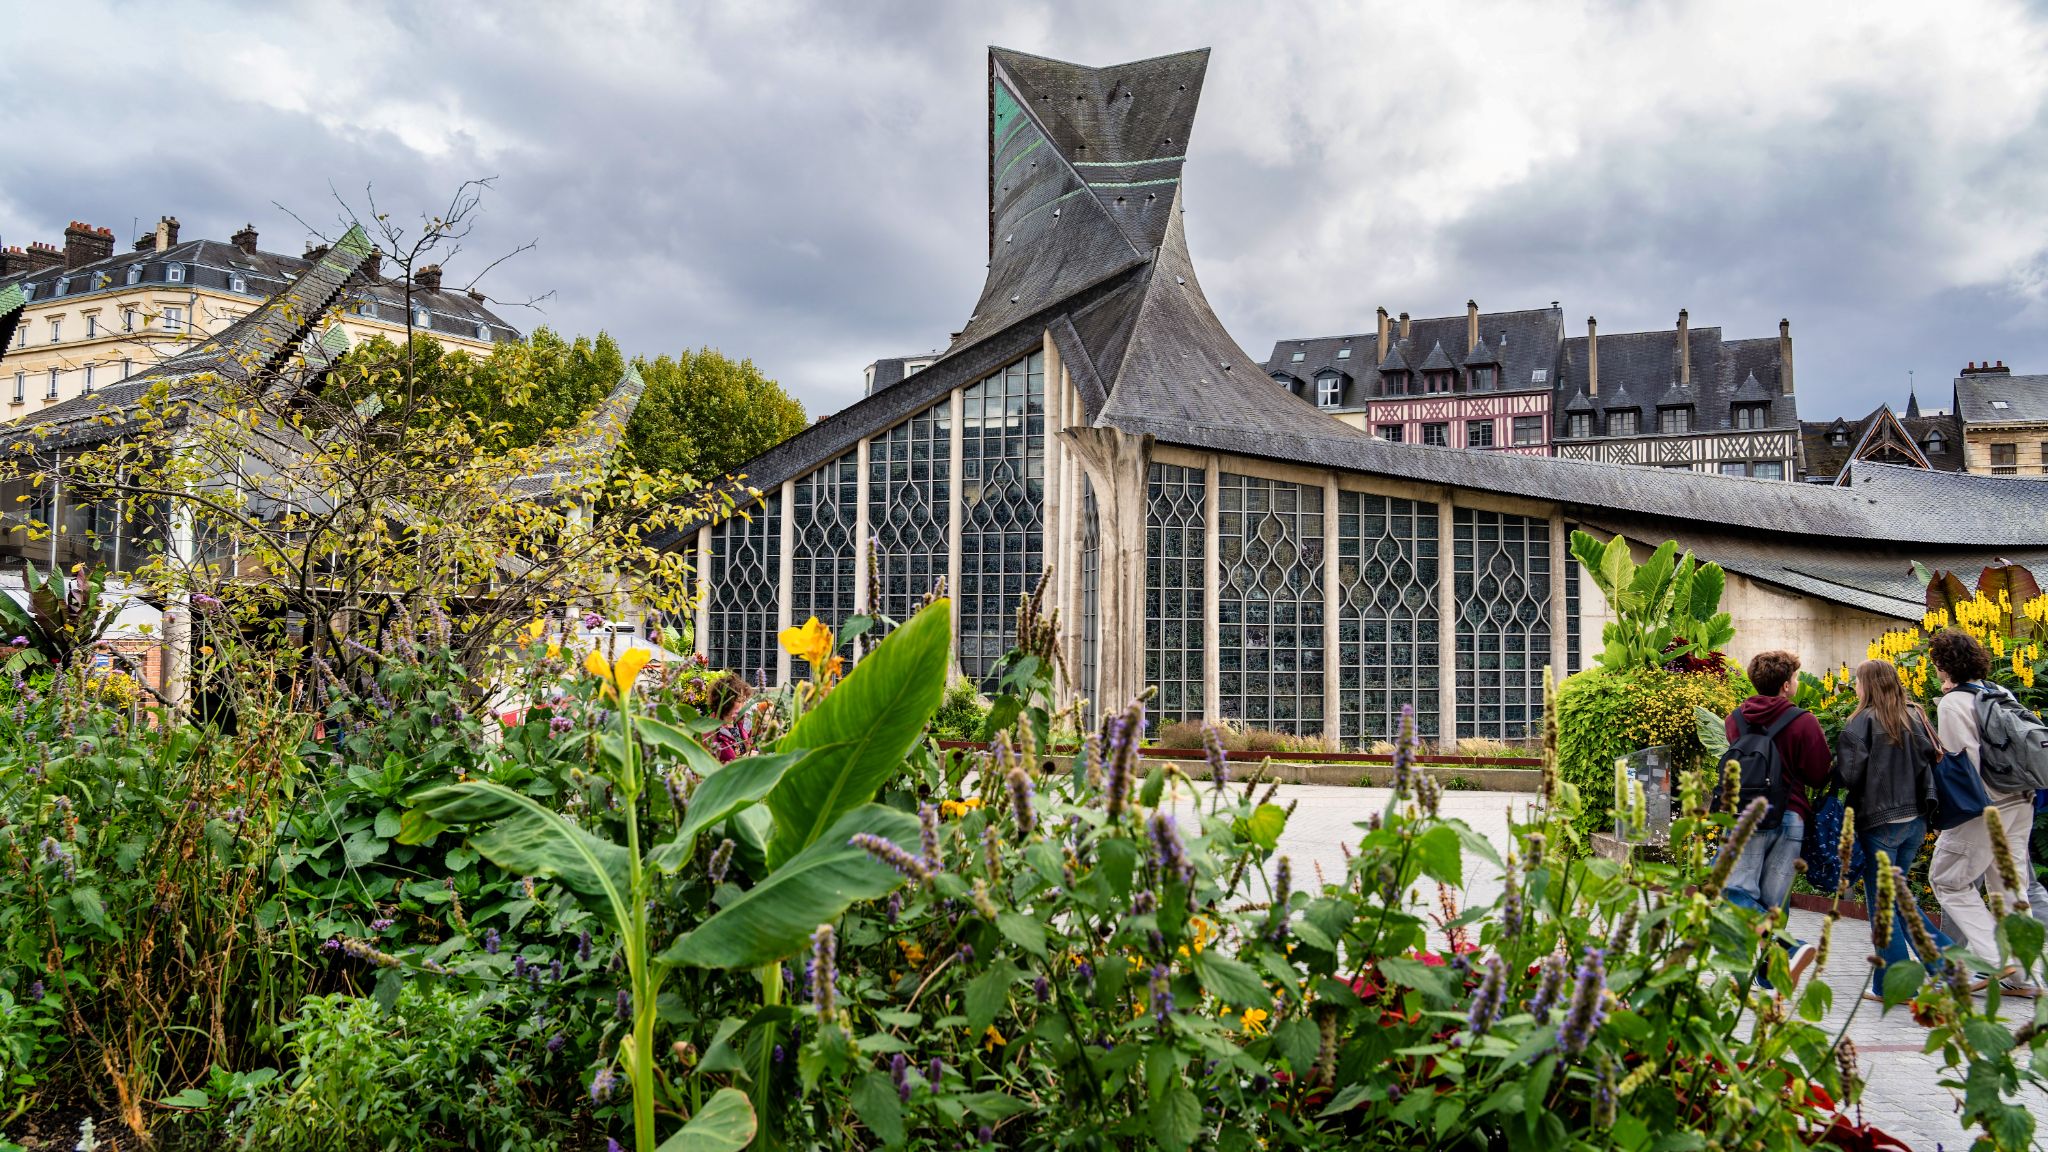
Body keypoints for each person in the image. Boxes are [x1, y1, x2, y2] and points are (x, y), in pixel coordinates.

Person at [1927, 628, 2039, 996]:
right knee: (2010, 885)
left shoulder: (1953, 704)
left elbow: (1965, 763)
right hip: (2021, 799)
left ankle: (1992, 956)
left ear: (1943, 664)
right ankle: (2025, 975)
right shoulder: (1998, 692)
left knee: (1947, 879)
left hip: (1985, 805)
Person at [1836, 659, 1953, 1001]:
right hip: (1916, 820)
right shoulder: (1916, 715)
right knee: (1900, 899)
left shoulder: (1861, 722)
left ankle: (1898, 982)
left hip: (1879, 823)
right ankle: (1943, 965)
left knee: (1884, 905)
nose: (1855, 688)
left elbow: (1849, 776)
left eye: (1858, 682)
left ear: (1867, 685)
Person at [1722, 650, 1833, 984]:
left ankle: (1745, 976)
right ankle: (1783, 954)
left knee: (1736, 891)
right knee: (1773, 901)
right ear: (1786, 685)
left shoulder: (1734, 719)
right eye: (1795, 678)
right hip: (1790, 816)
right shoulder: (1804, 721)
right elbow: (1817, 774)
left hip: (1746, 815)